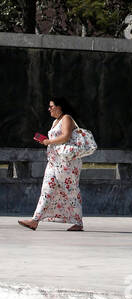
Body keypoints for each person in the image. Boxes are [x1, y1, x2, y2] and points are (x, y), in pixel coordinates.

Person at [18, 97, 85, 232]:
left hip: (67, 163)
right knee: (46, 190)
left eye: (52, 106)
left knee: (70, 191)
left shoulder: (67, 118)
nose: (49, 109)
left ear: (60, 107)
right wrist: (47, 142)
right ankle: (34, 220)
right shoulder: (56, 121)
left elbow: (66, 136)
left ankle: (78, 222)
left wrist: (49, 141)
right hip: (54, 162)